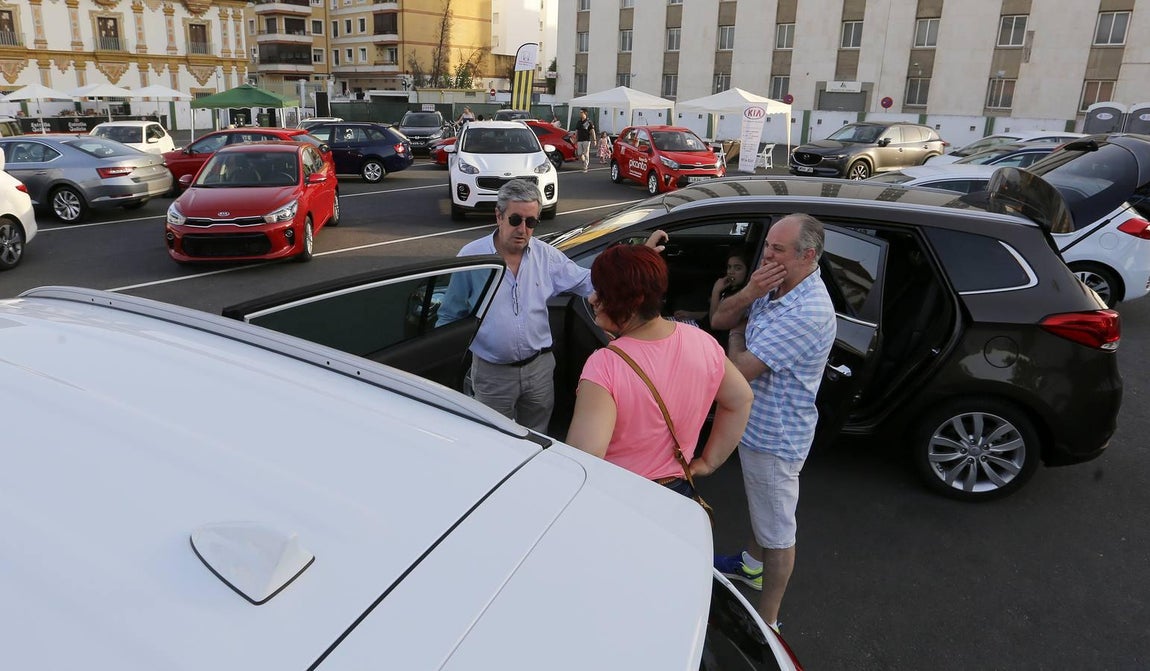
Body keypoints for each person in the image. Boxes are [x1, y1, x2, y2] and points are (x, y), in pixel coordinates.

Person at [437, 179, 664, 433]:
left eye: (531, 222)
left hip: (539, 370)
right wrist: (443, 366)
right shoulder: (472, 257)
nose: (523, 229)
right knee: (494, 440)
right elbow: (450, 314)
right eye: (515, 220)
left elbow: (589, 281)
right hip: (492, 375)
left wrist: (638, 260)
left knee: (537, 435)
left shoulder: (547, 256)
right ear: (498, 216)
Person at [709, 214, 837, 633]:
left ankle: (768, 622)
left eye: (777, 249)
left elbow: (740, 368)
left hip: (774, 436)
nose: (766, 255)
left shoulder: (809, 310)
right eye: (767, 246)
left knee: (778, 529)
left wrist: (735, 339)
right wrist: (750, 291)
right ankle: (750, 565)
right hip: (753, 424)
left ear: (808, 255)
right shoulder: (773, 285)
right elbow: (721, 319)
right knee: (761, 508)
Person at [565, 245, 753, 499]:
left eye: (602, 292)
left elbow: (585, 454)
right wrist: (709, 461)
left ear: (631, 301)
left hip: (619, 495)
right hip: (677, 490)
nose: (592, 299)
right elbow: (741, 399)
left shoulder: (605, 364)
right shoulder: (702, 341)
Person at [672, 247, 750, 352]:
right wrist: (691, 314)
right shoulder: (728, 290)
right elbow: (713, 313)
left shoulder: (739, 297)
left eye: (738, 268)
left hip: (709, 337)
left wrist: (716, 291)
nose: (731, 272)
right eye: (729, 267)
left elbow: (714, 321)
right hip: (701, 325)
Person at [574, 108, 597, 172]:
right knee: (580, 154)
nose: (580, 114)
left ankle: (585, 166)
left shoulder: (589, 122)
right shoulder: (579, 122)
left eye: (581, 112)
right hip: (580, 140)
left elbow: (592, 131)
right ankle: (584, 161)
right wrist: (575, 139)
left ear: (585, 113)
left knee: (586, 153)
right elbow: (576, 131)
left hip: (586, 140)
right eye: (580, 112)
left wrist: (594, 140)